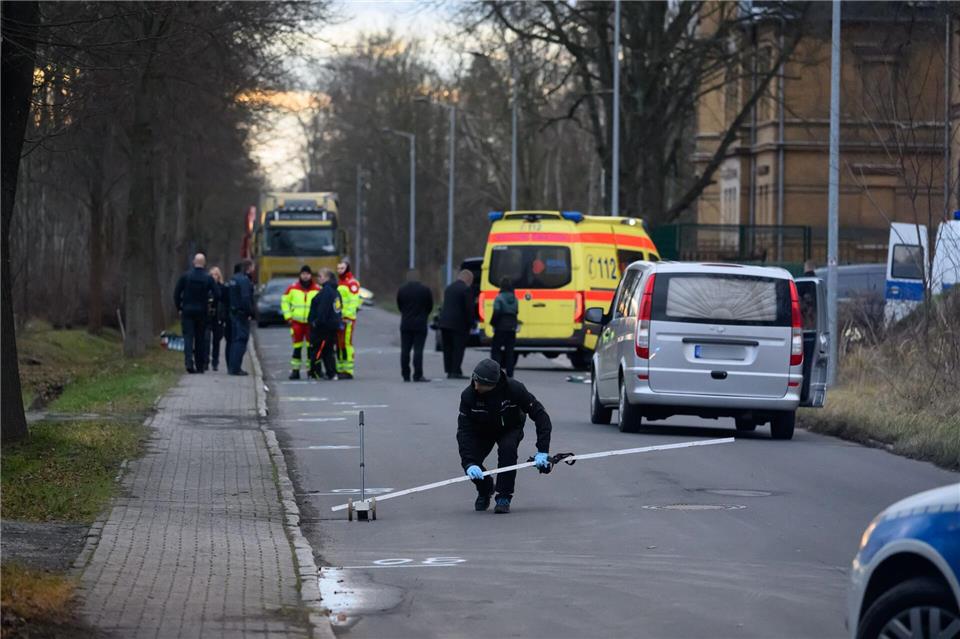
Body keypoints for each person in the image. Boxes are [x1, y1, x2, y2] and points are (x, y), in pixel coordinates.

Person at [457, 358, 552, 514]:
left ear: (493, 384)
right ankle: (485, 488)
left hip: (510, 427)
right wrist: (469, 462)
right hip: (482, 429)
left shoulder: (515, 389)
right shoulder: (468, 396)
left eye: (481, 384)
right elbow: (463, 432)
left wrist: (543, 450)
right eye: (475, 382)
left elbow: (541, 416)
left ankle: (504, 496)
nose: (477, 387)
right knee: (470, 461)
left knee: (508, 450)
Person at [173, 253, 216, 374]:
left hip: (187, 310)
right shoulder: (208, 278)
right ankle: (199, 364)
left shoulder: (186, 276)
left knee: (188, 337)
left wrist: (179, 308)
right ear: (204, 263)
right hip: (202, 311)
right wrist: (211, 303)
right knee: (200, 338)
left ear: (193, 262)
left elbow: (176, 293)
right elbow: (217, 293)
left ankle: (188, 362)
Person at [281, 265, 321, 380]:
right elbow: (284, 302)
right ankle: (295, 371)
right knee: (297, 348)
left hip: (311, 324)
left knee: (310, 348)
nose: (305, 276)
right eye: (303, 274)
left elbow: (320, 305)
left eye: (307, 274)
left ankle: (310, 371)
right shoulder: (292, 288)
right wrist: (288, 316)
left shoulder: (317, 289)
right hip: (297, 322)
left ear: (310, 275)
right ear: (300, 275)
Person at [396, 270, 434, 382]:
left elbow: (400, 305)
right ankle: (417, 374)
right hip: (420, 324)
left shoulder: (402, 289)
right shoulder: (425, 290)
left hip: (406, 323)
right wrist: (423, 314)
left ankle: (405, 374)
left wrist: (406, 313)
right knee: (418, 350)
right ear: (418, 277)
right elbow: (430, 305)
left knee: (405, 350)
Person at [438, 269, 474, 379]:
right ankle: (455, 371)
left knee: (448, 348)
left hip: (445, 323)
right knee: (458, 348)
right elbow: (468, 308)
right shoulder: (465, 289)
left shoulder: (448, 288)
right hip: (459, 324)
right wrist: (471, 323)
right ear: (468, 279)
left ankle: (449, 370)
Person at [307, 268, 341, 380]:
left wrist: (316, 323)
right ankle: (331, 372)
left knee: (318, 350)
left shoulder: (327, 291)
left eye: (320, 276)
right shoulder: (335, 291)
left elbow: (323, 309)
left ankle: (316, 372)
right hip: (332, 326)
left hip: (323, 327)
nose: (318, 278)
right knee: (328, 350)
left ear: (327, 278)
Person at [226, 260, 255, 376]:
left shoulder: (233, 279)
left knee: (234, 340)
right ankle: (236, 368)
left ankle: (232, 366)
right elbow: (246, 298)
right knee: (241, 340)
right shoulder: (244, 280)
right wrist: (250, 312)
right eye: (253, 267)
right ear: (248, 268)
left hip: (233, 313)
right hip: (241, 314)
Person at [336, 259, 362, 379]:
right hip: (338, 318)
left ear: (347, 269)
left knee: (346, 343)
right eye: (338, 268)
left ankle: (348, 370)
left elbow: (353, 302)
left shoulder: (352, 283)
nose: (339, 270)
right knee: (339, 343)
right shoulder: (339, 282)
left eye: (342, 268)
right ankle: (340, 368)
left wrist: (347, 316)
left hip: (347, 319)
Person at [490, 277, 519, 377]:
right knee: (509, 352)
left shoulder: (499, 298)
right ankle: (510, 373)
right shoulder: (515, 298)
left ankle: (495, 372)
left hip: (500, 327)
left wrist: (492, 323)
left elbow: (496, 312)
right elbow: (516, 312)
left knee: (496, 350)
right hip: (512, 327)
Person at [204, 266, 226, 372]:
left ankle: (215, 362)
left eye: (216, 274)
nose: (214, 277)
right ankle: (206, 361)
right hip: (208, 317)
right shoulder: (206, 288)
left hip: (218, 317)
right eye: (212, 274)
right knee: (206, 340)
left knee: (217, 341)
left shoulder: (221, 288)